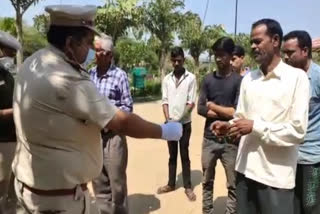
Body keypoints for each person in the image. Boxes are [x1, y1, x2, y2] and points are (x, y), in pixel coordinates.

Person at [12, 5, 182, 214]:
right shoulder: (68, 79)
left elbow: (124, 107)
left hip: (33, 188)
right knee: (101, 189)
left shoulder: (33, 61)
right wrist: (166, 131)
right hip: (59, 201)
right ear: (69, 43)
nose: (92, 51)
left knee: (117, 184)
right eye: (87, 44)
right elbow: (123, 121)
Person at [211, 19, 310, 214]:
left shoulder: (297, 79)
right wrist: (228, 126)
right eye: (251, 42)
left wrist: (254, 127)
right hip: (245, 171)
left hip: (276, 179)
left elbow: (298, 132)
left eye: (257, 41)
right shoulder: (249, 78)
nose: (252, 47)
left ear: (275, 40)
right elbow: (241, 116)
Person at [89, 34, 133, 214]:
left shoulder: (119, 75)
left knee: (117, 185)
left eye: (99, 51)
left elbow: (128, 106)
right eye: (95, 50)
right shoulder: (89, 74)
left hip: (114, 137)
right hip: (92, 137)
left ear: (108, 54)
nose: (95, 54)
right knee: (99, 184)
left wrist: (109, 119)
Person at [198, 37, 242, 214]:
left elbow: (237, 112)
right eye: (216, 55)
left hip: (230, 141)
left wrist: (213, 106)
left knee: (233, 184)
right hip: (209, 140)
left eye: (222, 55)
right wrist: (226, 111)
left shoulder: (239, 81)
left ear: (231, 56)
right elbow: (200, 108)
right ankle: (207, 211)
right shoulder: (208, 80)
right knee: (207, 181)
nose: (217, 59)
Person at [282, 30, 320, 214]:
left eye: (290, 53)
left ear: (305, 51)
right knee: (292, 205)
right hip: (289, 154)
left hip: (312, 158)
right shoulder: (286, 79)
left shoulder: (318, 77)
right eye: (284, 53)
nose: (285, 57)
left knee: (311, 205)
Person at [157, 47, 197, 201]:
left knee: (184, 154)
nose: (176, 63)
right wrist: (168, 121)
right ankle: (171, 184)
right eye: (173, 60)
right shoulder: (167, 79)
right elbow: (165, 101)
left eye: (179, 60)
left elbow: (191, 102)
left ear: (183, 60)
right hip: (170, 124)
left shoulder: (191, 78)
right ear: (171, 61)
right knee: (172, 155)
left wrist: (179, 121)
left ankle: (187, 186)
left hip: (185, 124)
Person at [0, 30, 21, 214]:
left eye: (13, 54)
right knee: (2, 188)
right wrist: (16, 112)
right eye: (7, 53)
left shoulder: (11, 76)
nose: (10, 58)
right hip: (2, 141)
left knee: (15, 189)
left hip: (18, 140)